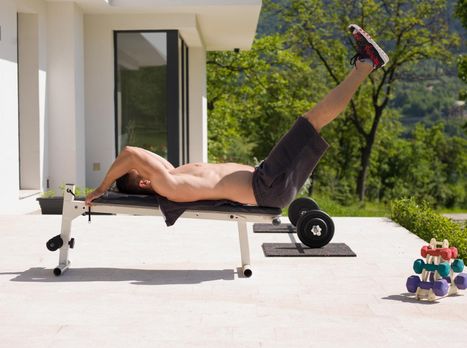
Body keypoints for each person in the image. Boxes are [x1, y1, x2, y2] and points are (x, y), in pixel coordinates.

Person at [85, 24, 389, 209]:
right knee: (311, 121)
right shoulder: (167, 185)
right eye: (143, 170)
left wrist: (127, 175)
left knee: (312, 122)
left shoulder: (172, 176)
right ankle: (365, 64)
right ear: (142, 184)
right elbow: (131, 154)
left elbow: (142, 159)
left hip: (267, 183)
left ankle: (365, 64)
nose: (154, 160)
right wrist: (102, 187)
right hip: (266, 184)